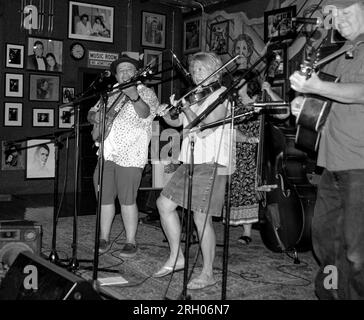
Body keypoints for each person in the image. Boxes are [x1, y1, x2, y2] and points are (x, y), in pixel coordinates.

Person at [289, 0, 364, 300]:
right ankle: (331, 296)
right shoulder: (334, 54)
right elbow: (324, 99)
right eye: (335, 13)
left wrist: (317, 89)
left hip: (360, 165)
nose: (338, 19)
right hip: (330, 162)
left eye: (346, 11)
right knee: (325, 244)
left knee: (358, 252)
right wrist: (302, 105)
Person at [153, 52, 231, 290]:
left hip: (211, 161)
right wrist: (167, 113)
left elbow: (206, 128)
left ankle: (208, 273)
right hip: (190, 160)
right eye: (194, 69)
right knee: (164, 204)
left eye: (201, 69)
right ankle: (177, 256)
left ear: (215, 71)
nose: (196, 74)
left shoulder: (221, 95)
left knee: (201, 218)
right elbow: (179, 123)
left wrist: (187, 109)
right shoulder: (195, 95)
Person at [87, 54, 159, 257]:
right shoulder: (110, 93)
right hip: (107, 153)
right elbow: (91, 113)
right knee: (104, 198)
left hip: (131, 154)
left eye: (129, 69)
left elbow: (146, 114)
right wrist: (96, 116)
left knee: (128, 199)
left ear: (136, 72)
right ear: (116, 75)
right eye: (121, 70)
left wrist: (134, 96)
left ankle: (131, 241)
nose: (125, 73)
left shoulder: (146, 92)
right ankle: (103, 237)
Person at [224, 70, 288, 245]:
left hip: (258, 153)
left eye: (239, 81)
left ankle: (248, 232)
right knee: (238, 190)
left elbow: (283, 113)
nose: (236, 84)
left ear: (250, 83)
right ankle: (240, 226)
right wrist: (245, 138)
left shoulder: (262, 100)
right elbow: (227, 127)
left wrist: (269, 90)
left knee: (251, 190)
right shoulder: (233, 103)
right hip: (237, 150)